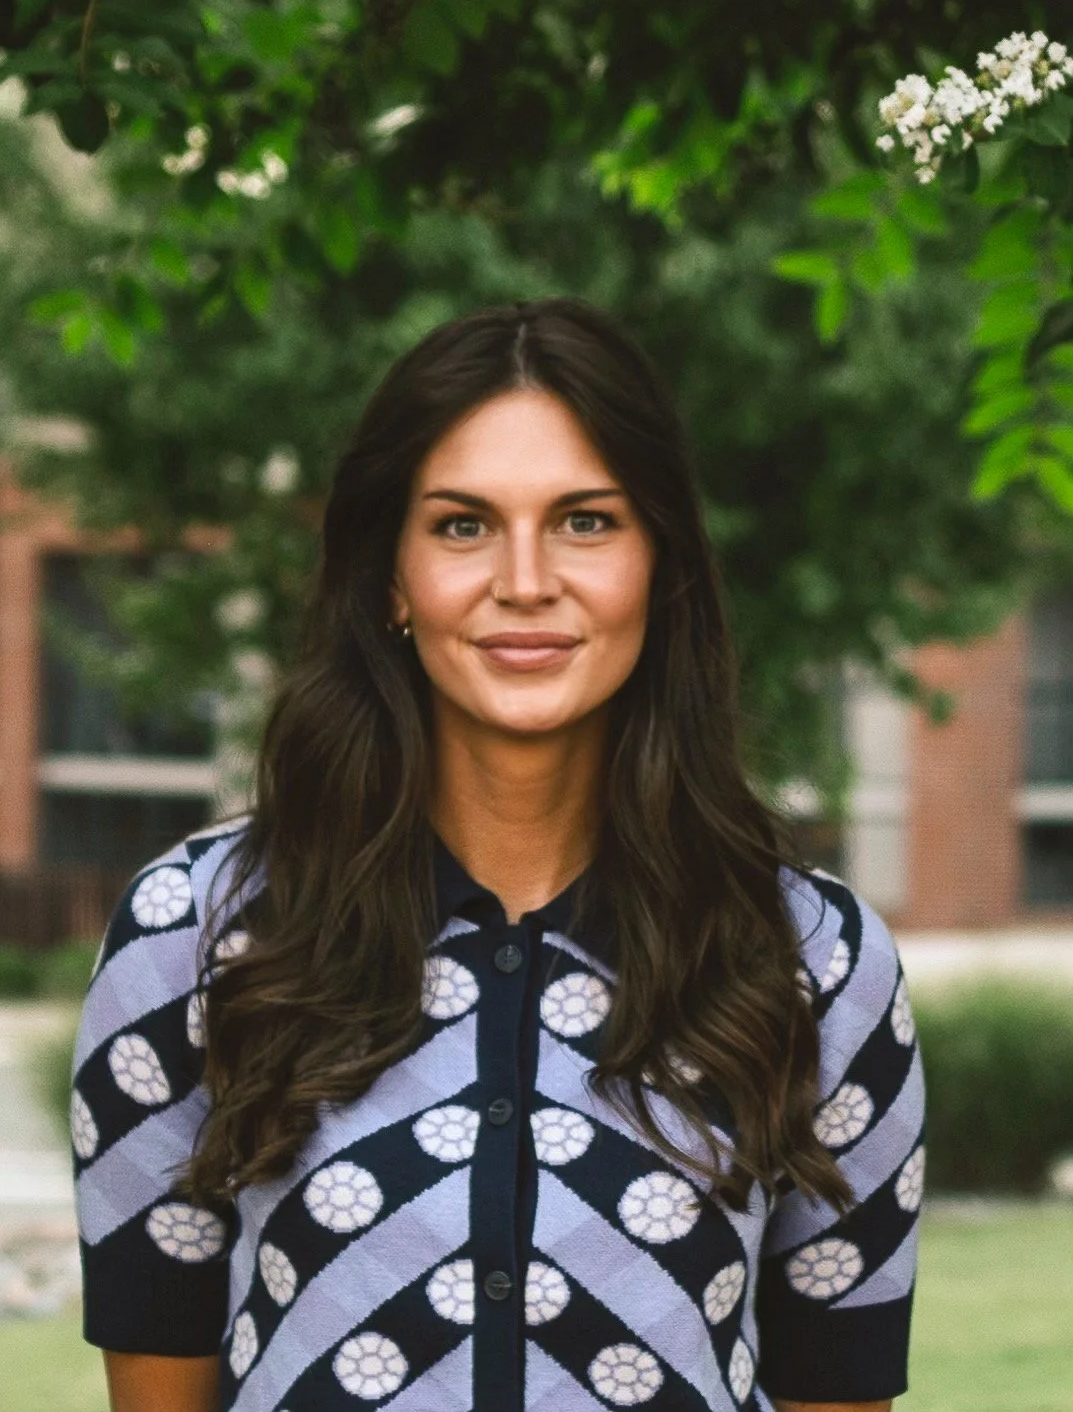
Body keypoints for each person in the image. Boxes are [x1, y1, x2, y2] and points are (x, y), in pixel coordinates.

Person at [70, 297, 925, 1412]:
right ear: (391, 577)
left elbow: (839, 1391)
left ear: (659, 568)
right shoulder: (194, 930)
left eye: (586, 520)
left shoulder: (817, 957)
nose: (525, 579)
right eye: (463, 524)